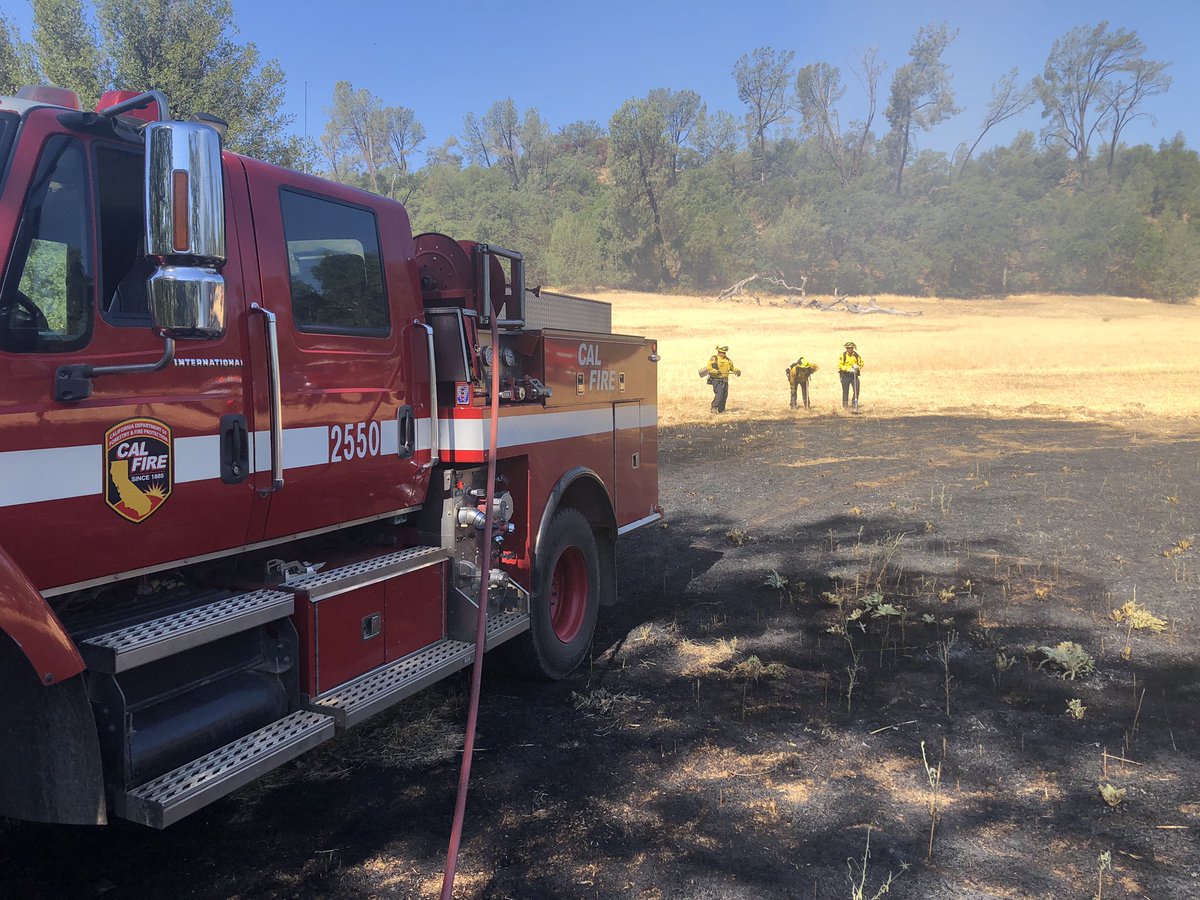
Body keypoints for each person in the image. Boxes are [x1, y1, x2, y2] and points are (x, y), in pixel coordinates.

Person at [705, 345, 741, 413]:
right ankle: (714, 408)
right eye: (722, 352)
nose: (723, 354)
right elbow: (709, 368)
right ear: (718, 351)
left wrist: (737, 371)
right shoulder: (714, 358)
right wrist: (716, 371)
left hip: (725, 380)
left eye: (724, 352)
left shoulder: (728, 360)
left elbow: (732, 368)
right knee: (719, 393)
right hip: (716, 379)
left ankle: (721, 410)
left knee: (724, 395)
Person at [837, 341, 864, 409]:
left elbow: (861, 363)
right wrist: (848, 369)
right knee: (845, 390)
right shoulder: (843, 355)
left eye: (851, 348)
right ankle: (845, 406)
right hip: (845, 375)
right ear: (846, 348)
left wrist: (857, 367)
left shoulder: (856, 355)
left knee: (857, 389)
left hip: (854, 375)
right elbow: (840, 365)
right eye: (848, 348)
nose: (850, 349)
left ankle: (854, 404)